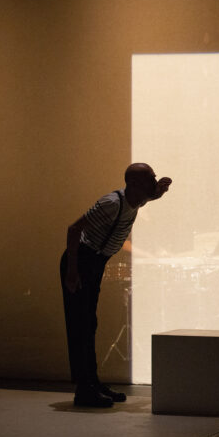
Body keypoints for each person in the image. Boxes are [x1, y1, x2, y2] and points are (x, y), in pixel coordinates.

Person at [61, 163, 171, 407]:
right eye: (150, 179)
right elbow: (74, 229)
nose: (154, 182)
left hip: (94, 261)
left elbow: (146, 198)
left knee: (89, 323)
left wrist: (158, 194)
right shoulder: (112, 203)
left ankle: (92, 383)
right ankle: (84, 389)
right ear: (134, 184)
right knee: (81, 324)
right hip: (82, 261)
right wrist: (72, 271)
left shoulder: (135, 200)